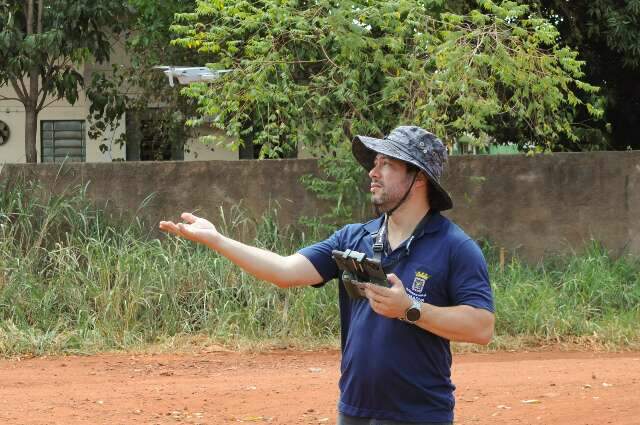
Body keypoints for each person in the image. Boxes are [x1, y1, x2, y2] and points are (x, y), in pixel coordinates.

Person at [159, 125, 495, 425]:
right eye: (374, 163)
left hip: (419, 414)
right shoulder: (353, 238)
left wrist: (410, 309)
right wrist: (218, 240)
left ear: (418, 177)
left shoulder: (455, 247)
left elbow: (482, 327)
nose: (373, 173)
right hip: (354, 410)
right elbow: (284, 270)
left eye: (387, 164)